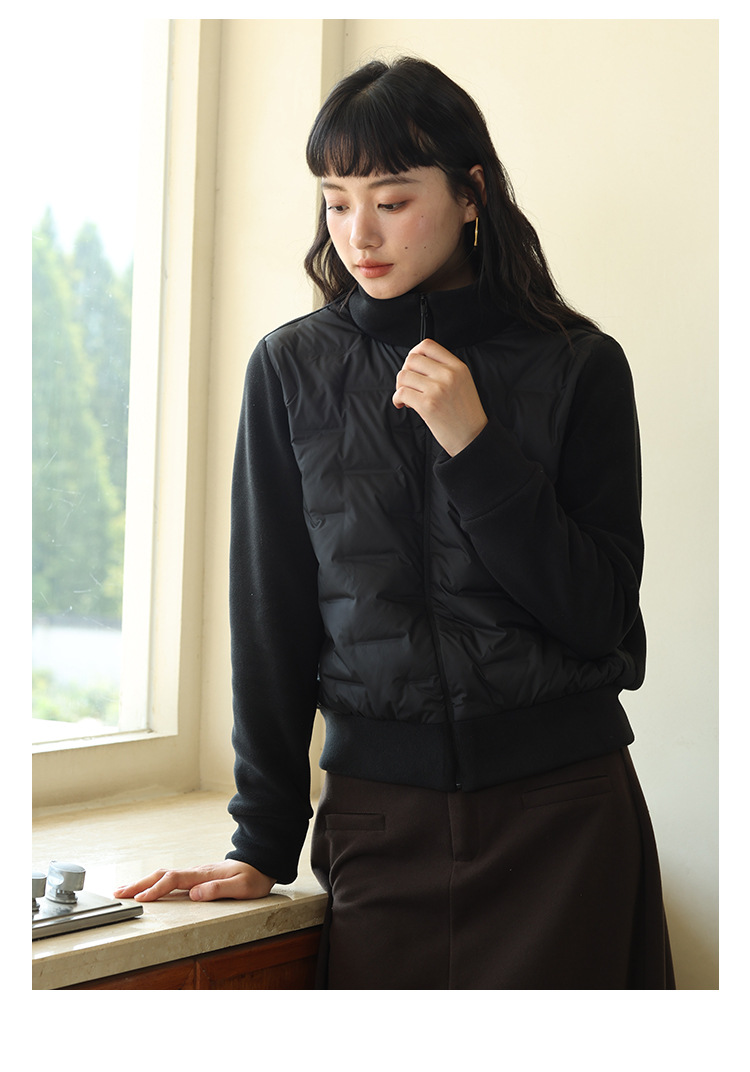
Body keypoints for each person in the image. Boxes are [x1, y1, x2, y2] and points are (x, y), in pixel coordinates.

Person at [115, 56, 674, 989]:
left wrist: (476, 448)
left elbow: (601, 616)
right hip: (380, 828)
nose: (358, 235)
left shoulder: (580, 366)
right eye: (336, 203)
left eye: (392, 199)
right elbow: (273, 617)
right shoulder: (291, 370)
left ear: (471, 194)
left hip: (566, 821)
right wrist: (262, 840)